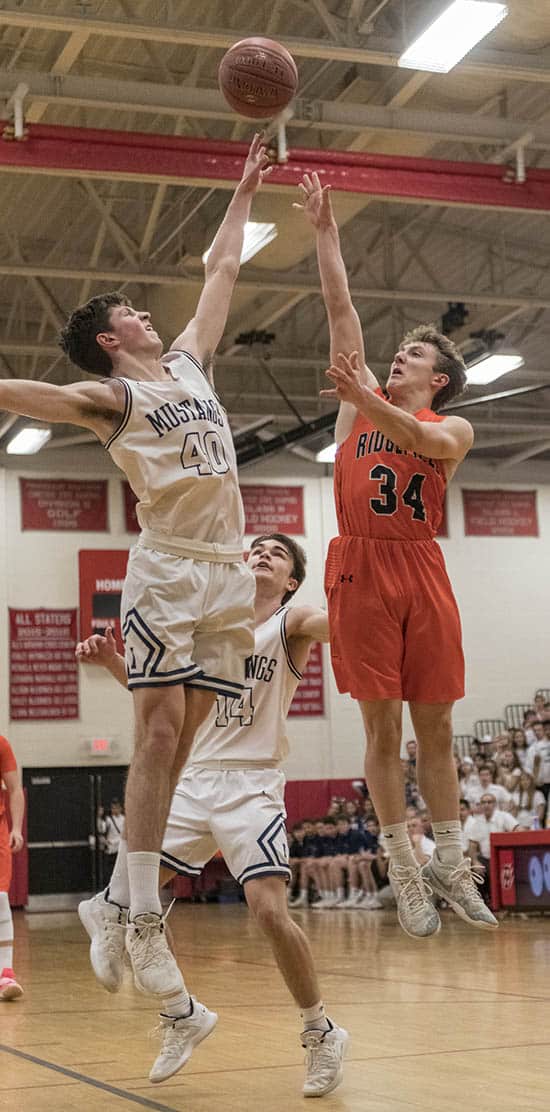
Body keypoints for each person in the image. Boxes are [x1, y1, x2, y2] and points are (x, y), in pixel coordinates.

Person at [0, 135, 270, 997]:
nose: (148, 315)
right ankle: (145, 918)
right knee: (156, 734)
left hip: (226, 571)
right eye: (132, 313)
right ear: (110, 338)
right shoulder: (114, 396)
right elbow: (39, 396)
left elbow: (222, 268)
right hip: (168, 569)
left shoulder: (189, 362)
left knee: (182, 745)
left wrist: (244, 187)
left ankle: (111, 901)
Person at [295, 172, 497, 938]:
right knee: (382, 731)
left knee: (436, 727)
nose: (395, 359)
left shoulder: (452, 429)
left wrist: (369, 399)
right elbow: (340, 309)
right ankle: (405, 869)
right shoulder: (356, 409)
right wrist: (325, 232)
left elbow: (415, 435)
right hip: (361, 566)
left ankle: (451, 860)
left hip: (421, 567)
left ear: (436, 379)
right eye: (396, 353)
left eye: (410, 355)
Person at [77, 532, 348, 1096]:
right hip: (192, 779)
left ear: (292, 581)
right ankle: (181, 1013)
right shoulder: (212, 626)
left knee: (268, 911)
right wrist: (112, 664)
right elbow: (167, 695)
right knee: (133, 901)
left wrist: (359, 599)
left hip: (251, 783)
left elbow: (337, 626)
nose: (262, 554)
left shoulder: (292, 620)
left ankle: (321, 1032)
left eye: (277, 553)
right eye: (256, 549)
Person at [0, 736, 24, 1001]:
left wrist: (16, 828)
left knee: (0, 898)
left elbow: (15, 788)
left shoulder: (1, 744)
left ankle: (5, 974)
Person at [468, 794, 519, 904]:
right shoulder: (477, 822)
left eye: (489, 802)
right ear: (480, 805)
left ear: (495, 804)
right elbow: (472, 845)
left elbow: (518, 830)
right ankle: (484, 902)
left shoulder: (504, 817)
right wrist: (474, 861)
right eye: (483, 802)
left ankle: (505, 902)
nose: (486, 805)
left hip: (504, 859)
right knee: (475, 868)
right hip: (486, 859)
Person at [97, 799, 125, 888]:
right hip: (111, 848)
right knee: (110, 870)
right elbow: (101, 828)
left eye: (117, 808)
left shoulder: (124, 819)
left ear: (120, 808)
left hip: (120, 848)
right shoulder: (109, 820)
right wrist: (99, 817)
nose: (115, 810)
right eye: (113, 808)